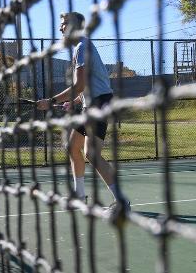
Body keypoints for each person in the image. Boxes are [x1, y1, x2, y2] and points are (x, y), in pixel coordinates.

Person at [37, 12, 130, 215]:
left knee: (92, 154)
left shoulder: (82, 47)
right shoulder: (81, 47)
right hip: (92, 103)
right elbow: (89, 86)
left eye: (63, 24)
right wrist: (74, 102)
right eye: (60, 25)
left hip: (99, 104)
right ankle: (79, 195)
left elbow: (79, 85)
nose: (60, 28)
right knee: (72, 147)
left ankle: (121, 201)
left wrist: (51, 101)